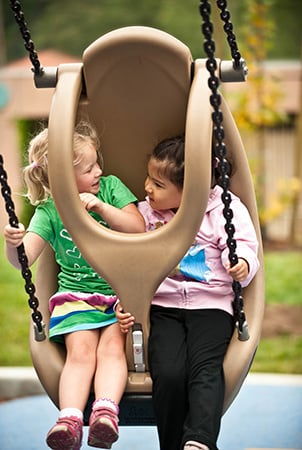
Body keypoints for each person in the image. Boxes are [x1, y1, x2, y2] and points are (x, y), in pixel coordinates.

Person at [4, 121, 145, 450]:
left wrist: (100, 206)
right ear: (64, 178)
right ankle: (69, 420)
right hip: (76, 298)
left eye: (98, 163)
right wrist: (13, 244)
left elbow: (137, 227)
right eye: (90, 167)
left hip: (118, 295)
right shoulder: (49, 212)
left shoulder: (110, 188)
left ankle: (105, 415)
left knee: (111, 350)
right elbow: (23, 259)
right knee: (80, 354)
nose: (98, 171)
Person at [116, 135, 260, 450]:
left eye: (158, 183)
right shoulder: (146, 215)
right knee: (168, 373)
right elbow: (126, 260)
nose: (147, 187)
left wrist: (242, 264)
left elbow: (246, 244)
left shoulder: (223, 208)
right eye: (149, 178)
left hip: (212, 306)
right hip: (163, 306)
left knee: (204, 369)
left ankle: (199, 440)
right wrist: (123, 300)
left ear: (190, 190)